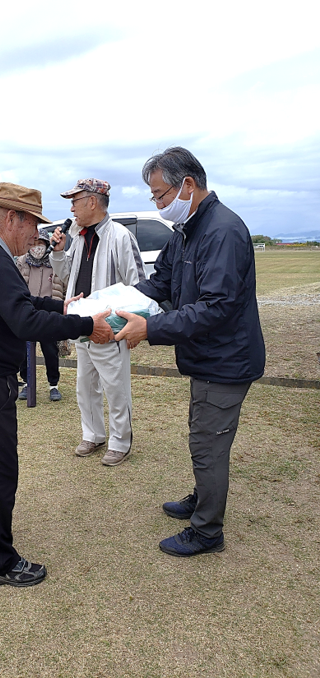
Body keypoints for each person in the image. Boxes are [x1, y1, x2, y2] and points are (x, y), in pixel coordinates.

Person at [0, 181, 114, 588]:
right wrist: (86, 325)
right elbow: (24, 321)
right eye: (32, 224)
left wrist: (63, 306)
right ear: (12, 218)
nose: (36, 234)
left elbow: (23, 302)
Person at [114, 146, 265, 557]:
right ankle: (203, 498)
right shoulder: (188, 231)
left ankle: (207, 531)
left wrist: (152, 327)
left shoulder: (223, 231)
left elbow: (217, 307)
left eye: (161, 195)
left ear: (188, 185)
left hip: (227, 359)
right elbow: (159, 283)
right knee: (202, 433)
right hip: (207, 358)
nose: (159, 204)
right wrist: (108, 305)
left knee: (207, 442)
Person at [50, 179, 146, 466]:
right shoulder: (78, 237)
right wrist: (58, 251)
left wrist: (130, 323)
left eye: (75, 201)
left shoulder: (120, 236)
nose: (72, 207)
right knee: (85, 385)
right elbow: (66, 274)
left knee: (116, 387)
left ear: (92, 201)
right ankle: (92, 434)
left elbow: (137, 283)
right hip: (82, 323)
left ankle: (120, 442)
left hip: (110, 326)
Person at [16, 227, 67, 402]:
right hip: (27, 312)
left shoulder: (56, 261)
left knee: (50, 350)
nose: (37, 247)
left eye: (41, 244)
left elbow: (65, 285)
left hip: (48, 313)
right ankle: (26, 383)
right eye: (34, 243)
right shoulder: (21, 262)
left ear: (47, 245)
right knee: (24, 350)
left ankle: (54, 385)